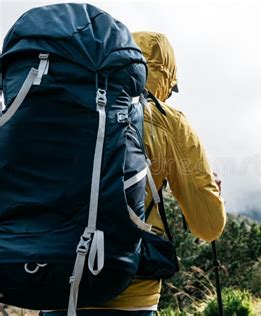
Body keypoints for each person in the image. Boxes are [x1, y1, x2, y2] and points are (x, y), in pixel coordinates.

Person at [42, 32, 226, 315]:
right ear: (164, 78)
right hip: (131, 295)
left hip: (55, 288)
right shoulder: (169, 123)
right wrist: (211, 192)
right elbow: (209, 226)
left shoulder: (71, 109)